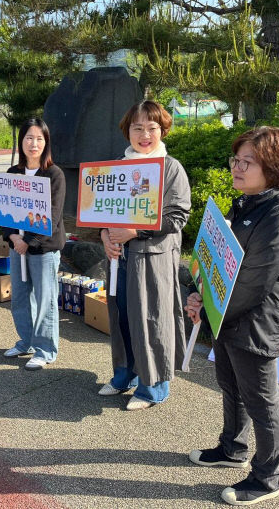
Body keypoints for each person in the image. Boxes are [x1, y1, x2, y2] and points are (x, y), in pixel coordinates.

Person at [185, 126, 279, 506]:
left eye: (247, 162)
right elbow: (216, 262)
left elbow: (253, 284)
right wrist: (197, 290)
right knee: (231, 388)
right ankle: (232, 449)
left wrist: (206, 307)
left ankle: (267, 478)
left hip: (256, 325)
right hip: (227, 319)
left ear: (272, 167)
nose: (237, 168)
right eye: (235, 160)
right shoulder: (247, 203)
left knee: (262, 402)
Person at [99, 100, 191, 410]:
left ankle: (155, 388)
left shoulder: (171, 168)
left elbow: (177, 216)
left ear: (163, 130)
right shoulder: (116, 166)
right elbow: (101, 211)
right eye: (137, 128)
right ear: (127, 131)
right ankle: (125, 374)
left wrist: (134, 233)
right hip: (120, 258)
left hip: (153, 258)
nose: (145, 134)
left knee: (152, 318)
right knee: (122, 315)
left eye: (152, 128)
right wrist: (105, 237)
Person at [1, 118, 66, 370]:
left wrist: (27, 240)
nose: (34, 143)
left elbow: (53, 213)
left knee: (45, 300)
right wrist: (13, 237)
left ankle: (45, 349)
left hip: (43, 248)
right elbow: (2, 209)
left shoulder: (54, 174)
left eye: (40, 138)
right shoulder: (13, 173)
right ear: (21, 142)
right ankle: (26, 340)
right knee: (19, 296)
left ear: (46, 143)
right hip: (17, 247)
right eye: (29, 138)